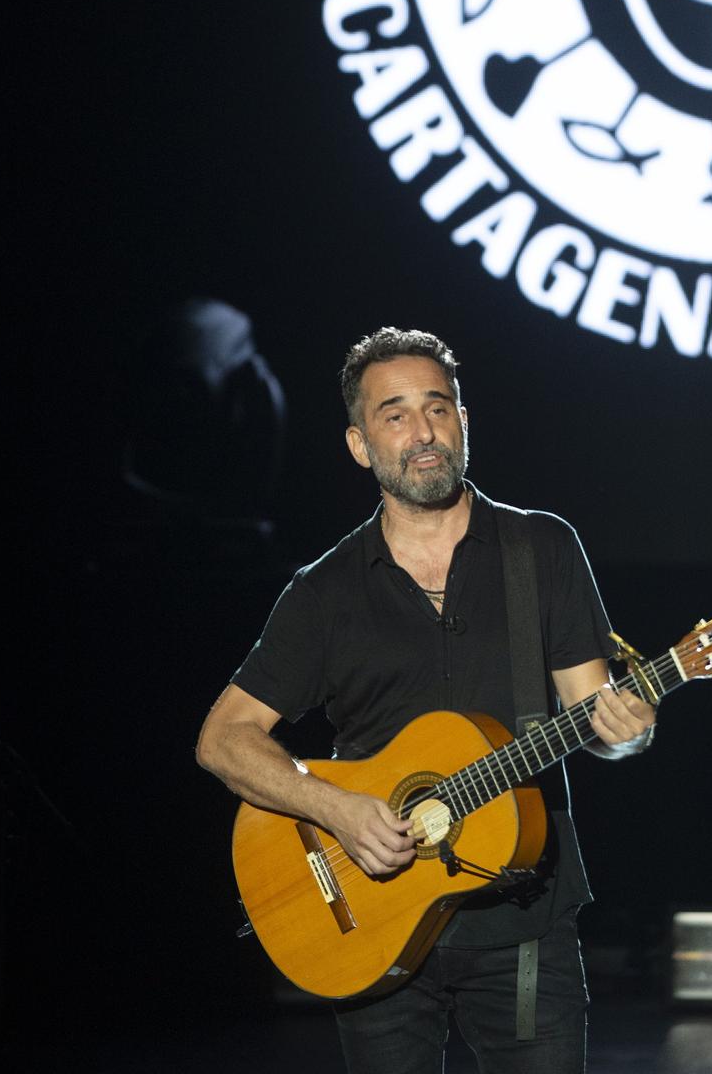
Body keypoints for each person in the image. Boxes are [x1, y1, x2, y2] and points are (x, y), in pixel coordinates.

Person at [196, 326, 654, 1073]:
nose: (422, 432)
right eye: (395, 414)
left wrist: (628, 731)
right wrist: (333, 807)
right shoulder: (325, 590)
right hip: (370, 920)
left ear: (463, 424)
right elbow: (223, 738)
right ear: (358, 443)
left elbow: (597, 716)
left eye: (438, 409)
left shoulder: (540, 549)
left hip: (522, 918)